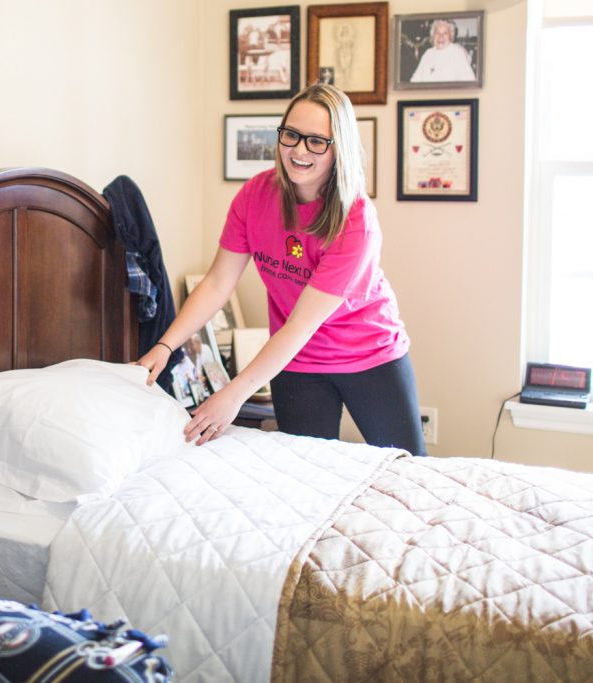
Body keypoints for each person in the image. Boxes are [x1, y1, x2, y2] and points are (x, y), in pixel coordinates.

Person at [138, 83, 426, 456]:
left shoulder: (355, 220)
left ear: (339, 149)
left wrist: (233, 396)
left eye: (316, 141)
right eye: (291, 135)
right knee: (304, 475)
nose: (299, 150)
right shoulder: (255, 196)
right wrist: (165, 345)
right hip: (298, 362)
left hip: (369, 355)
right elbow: (217, 283)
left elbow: (301, 324)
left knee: (407, 470)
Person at [410, 19, 476, 83]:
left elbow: (470, 84)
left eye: (445, 33)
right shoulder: (428, 53)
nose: (440, 37)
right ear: (433, 36)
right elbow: (414, 81)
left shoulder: (458, 53)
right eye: (437, 33)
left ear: (451, 36)